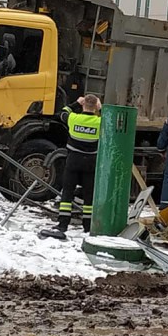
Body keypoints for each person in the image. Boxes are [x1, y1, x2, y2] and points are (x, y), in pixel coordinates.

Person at [55, 94, 102, 234]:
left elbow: (62, 113)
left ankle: (63, 224)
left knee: (67, 193)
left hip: (73, 161)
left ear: (83, 105)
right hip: (90, 163)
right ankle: (87, 226)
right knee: (89, 195)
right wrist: (101, 108)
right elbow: (110, 121)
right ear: (96, 107)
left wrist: (76, 102)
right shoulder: (99, 122)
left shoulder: (74, 119)